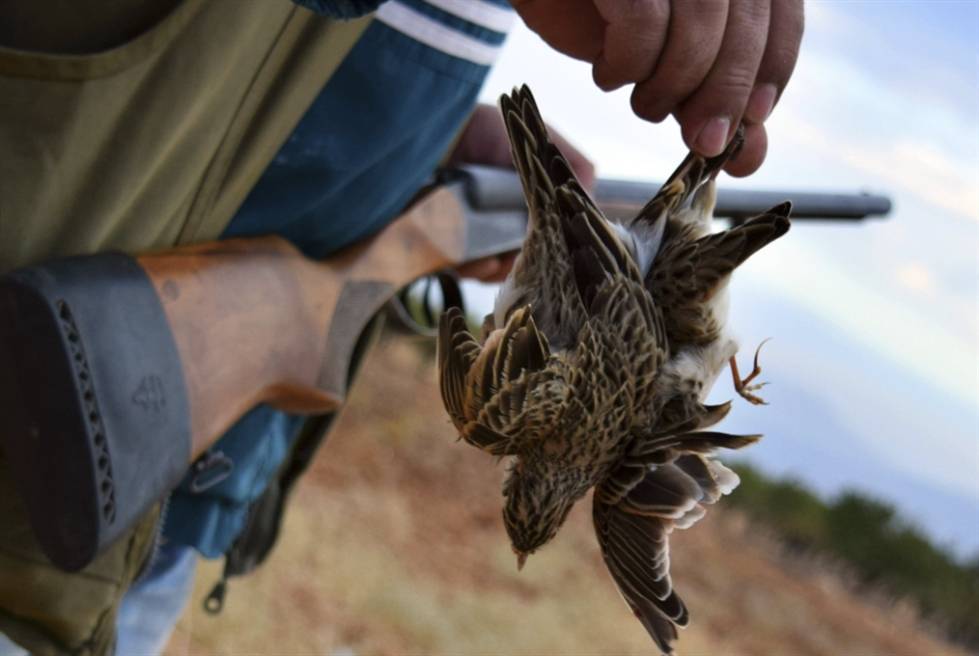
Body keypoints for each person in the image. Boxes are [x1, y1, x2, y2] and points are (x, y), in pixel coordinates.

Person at [0, 1, 802, 654]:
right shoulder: (507, 417)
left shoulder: (524, 416)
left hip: (177, 502)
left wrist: (429, 139)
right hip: (37, 475)